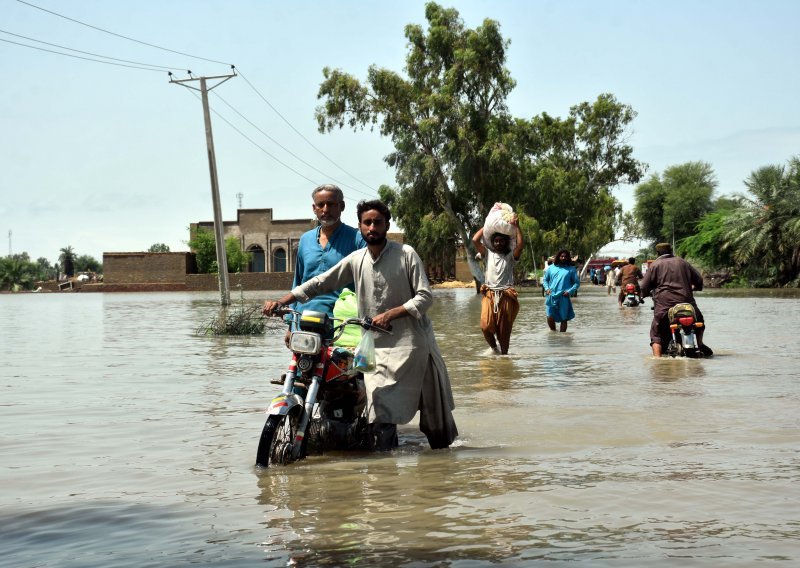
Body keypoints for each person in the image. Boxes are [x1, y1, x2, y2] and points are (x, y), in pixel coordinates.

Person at [263, 200, 458, 451]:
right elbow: (320, 282)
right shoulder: (356, 259)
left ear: (387, 225)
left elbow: (425, 296)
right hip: (375, 349)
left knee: (435, 418)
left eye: (378, 222)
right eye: (367, 222)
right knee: (380, 410)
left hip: (413, 346)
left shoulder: (406, 254)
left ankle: (442, 469)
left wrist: (391, 314)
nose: (372, 227)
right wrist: (282, 301)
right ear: (360, 227)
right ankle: (384, 472)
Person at [288, 184, 366, 337]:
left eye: (331, 204)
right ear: (314, 208)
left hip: (342, 324)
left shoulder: (357, 239)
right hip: (303, 322)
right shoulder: (305, 240)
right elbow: (297, 282)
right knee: (301, 362)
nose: (325, 209)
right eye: (320, 205)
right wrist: (290, 325)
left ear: (342, 206)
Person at [640, 242, 711, 357]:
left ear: (657, 253)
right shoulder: (682, 262)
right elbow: (699, 280)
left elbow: (643, 287)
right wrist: (696, 287)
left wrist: (643, 294)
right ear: (671, 250)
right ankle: (700, 343)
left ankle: (657, 361)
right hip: (688, 304)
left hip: (664, 306)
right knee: (700, 322)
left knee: (656, 334)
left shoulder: (654, 265)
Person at [471, 219, 524, 355]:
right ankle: (494, 349)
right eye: (496, 241)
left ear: (506, 242)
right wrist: (487, 225)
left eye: (502, 241)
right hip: (489, 294)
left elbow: (519, 246)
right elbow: (475, 240)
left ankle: (504, 360)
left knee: (504, 332)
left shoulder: (510, 256)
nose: (499, 243)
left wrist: (517, 227)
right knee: (485, 326)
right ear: (493, 243)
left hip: (506, 295)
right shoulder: (488, 254)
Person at [543, 249, 580, 332]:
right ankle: (553, 333)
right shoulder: (551, 268)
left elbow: (577, 283)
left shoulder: (571, 269)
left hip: (564, 296)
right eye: (561, 256)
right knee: (549, 316)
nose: (563, 258)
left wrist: (570, 291)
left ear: (568, 258)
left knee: (564, 318)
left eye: (565, 256)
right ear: (558, 257)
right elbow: (545, 280)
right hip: (551, 295)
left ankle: (563, 338)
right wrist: (547, 289)